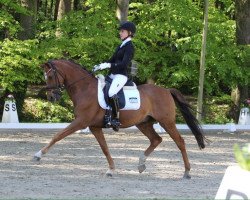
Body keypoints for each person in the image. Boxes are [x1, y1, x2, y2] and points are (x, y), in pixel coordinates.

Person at [93, 21, 136, 131]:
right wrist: (101, 65)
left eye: (122, 31)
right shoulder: (121, 45)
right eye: (120, 31)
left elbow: (124, 64)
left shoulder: (130, 47)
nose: (120, 33)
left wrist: (109, 65)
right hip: (112, 75)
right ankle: (105, 115)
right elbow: (112, 59)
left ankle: (116, 118)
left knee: (112, 92)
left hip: (121, 76)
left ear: (129, 33)